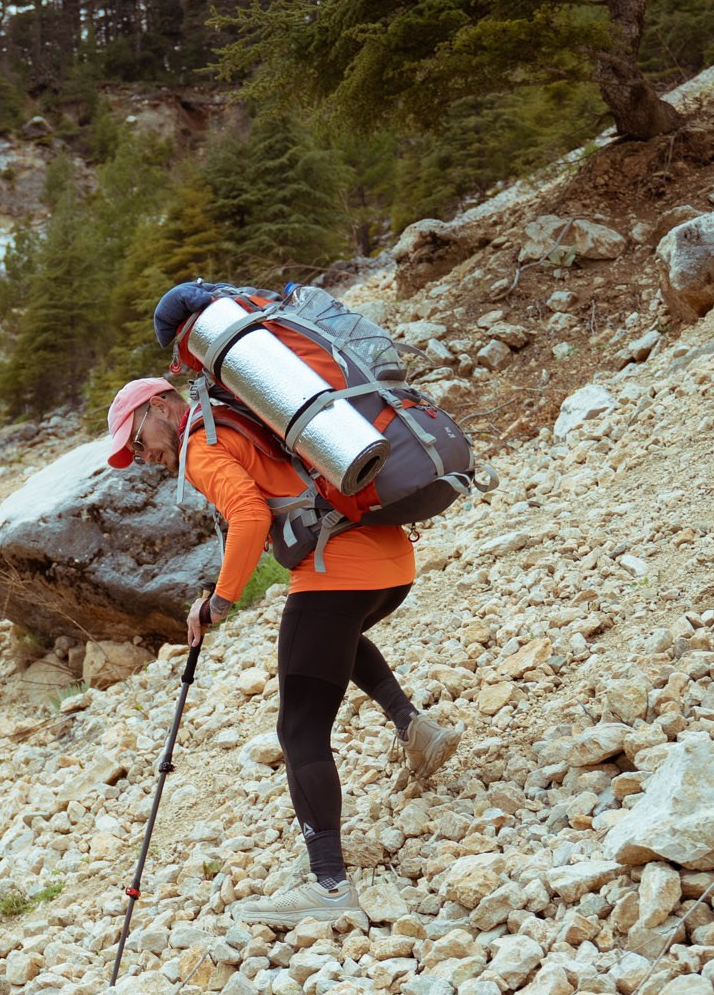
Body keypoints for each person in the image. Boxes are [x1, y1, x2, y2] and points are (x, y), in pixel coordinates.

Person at [105, 370, 458, 924]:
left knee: (299, 729)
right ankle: (413, 725)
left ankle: (329, 885)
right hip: (391, 566)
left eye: (135, 439)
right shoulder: (241, 421)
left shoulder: (202, 444)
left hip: (337, 571)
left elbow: (249, 515)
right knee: (335, 641)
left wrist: (218, 604)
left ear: (160, 408)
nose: (140, 454)